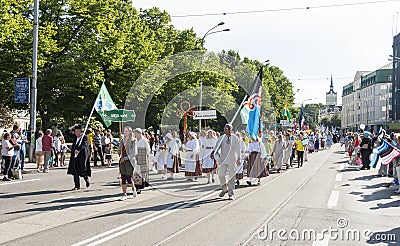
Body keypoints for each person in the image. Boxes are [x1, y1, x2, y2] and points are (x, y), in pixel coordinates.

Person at [211, 124, 241, 200]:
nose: (225, 130)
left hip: (232, 159)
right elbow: (217, 146)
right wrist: (213, 152)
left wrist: (238, 158)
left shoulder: (235, 138)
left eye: (227, 129)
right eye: (224, 129)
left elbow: (238, 149)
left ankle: (231, 193)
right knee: (221, 175)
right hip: (223, 159)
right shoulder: (222, 138)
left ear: (231, 129)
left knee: (231, 177)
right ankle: (224, 189)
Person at [66, 125, 91, 190]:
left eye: (77, 131)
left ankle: (86, 179)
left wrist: (78, 150)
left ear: (81, 132)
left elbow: (84, 144)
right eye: (75, 131)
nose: (76, 133)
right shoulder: (75, 137)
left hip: (82, 156)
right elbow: (67, 132)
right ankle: (77, 186)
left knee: (82, 169)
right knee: (75, 171)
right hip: (74, 156)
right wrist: (73, 126)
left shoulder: (84, 137)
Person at [118, 126, 138, 200]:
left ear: (130, 132)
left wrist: (125, 158)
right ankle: (124, 194)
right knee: (123, 178)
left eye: (127, 131)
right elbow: (119, 151)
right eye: (124, 131)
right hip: (122, 161)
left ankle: (133, 188)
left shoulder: (133, 141)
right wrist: (119, 152)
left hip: (130, 162)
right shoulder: (122, 140)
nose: (125, 132)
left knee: (128, 178)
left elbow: (134, 153)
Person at [134, 128, 151, 192]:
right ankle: (138, 185)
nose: (135, 134)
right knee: (137, 172)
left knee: (142, 172)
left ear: (139, 133)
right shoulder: (135, 140)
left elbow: (148, 149)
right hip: (137, 156)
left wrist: (146, 156)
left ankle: (141, 185)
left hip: (143, 156)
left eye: (136, 133)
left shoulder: (144, 140)